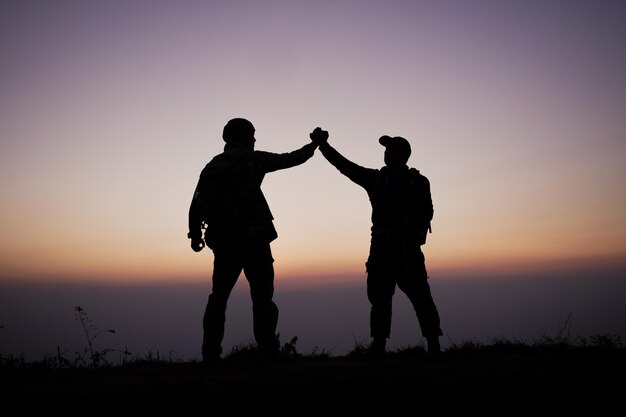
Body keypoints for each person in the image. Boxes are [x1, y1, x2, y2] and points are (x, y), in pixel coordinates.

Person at [188, 118, 319, 363]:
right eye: (252, 135)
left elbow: (196, 203)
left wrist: (195, 234)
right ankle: (268, 351)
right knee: (262, 298)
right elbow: (289, 159)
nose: (255, 139)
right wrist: (314, 145)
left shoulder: (212, 166)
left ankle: (210, 353)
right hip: (254, 240)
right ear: (245, 137)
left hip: (224, 242)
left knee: (218, 298)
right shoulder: (253, 159)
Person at [310, 128, 443, 354]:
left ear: (403, 154)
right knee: (380, 298)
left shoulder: (419, 181)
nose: (387, 153)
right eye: (386, 150)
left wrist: (409, 222)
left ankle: (433, 343)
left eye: (392, 150)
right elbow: (346, 167)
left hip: (406, 248)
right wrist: (324, 146)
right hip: (381, 248)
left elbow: (428, 211)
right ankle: (379, 344)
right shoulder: (376, 179)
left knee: (421, 295)